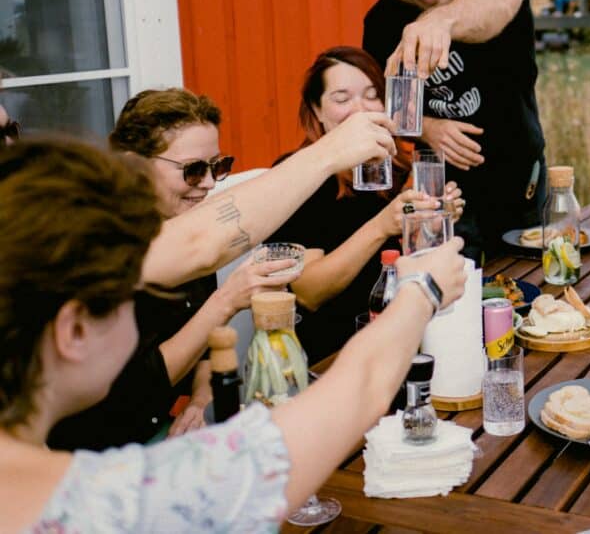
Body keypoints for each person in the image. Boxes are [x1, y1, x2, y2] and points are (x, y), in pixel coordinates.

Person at [0, 137, 467, 532]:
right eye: (128, 292)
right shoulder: (115, 506)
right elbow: (358, 389)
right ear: (75, 331)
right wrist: (421, 288)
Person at [48, 89, 296, 450]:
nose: (210, 183)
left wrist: (197, 403)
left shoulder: (185, 230)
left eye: (218, 166)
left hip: (155, 437)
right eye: (194, 170)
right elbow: (138, 383)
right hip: (87, 457)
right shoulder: (103, 246)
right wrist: (227, 300)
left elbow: (206, 345)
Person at [360, 0, 546, 261]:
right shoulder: (380, 24)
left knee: (533, 299)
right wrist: (427, 127)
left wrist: (440, 21)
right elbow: (387, 107)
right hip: (445, 201)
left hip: (521, 186)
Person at [268, 46, 465, 363]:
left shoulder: (398, 167)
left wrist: (431, 224)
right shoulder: (296, 175)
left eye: (372, 95)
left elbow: (411, 265)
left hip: (406, 336)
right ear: (317, 110)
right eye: (342, 99)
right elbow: (308, 293)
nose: (361, 109)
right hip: (337, 353)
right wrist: (382, 225)